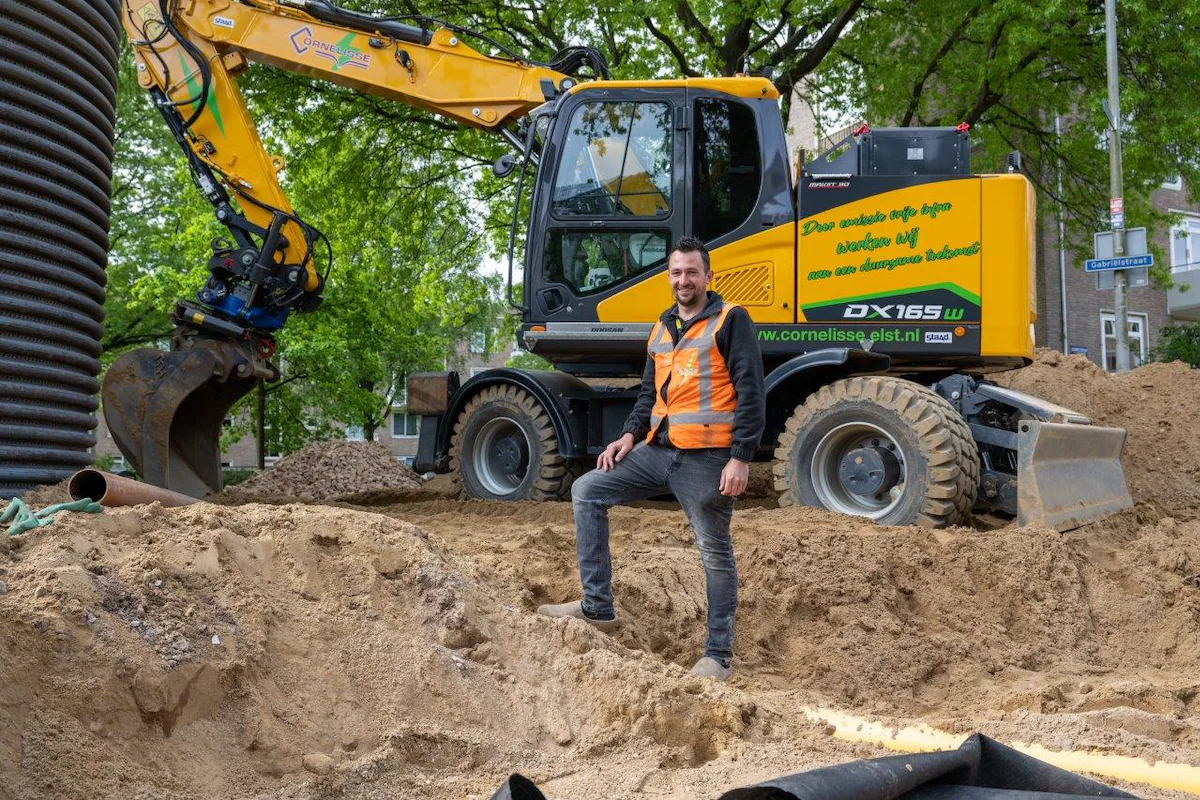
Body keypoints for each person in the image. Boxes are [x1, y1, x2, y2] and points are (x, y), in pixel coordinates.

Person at [537, 235, 765, 681]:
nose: (684, 280)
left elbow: (752, 392)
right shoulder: (662, 328)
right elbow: (648, 394)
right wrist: (627, 436)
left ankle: (717, 656)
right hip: (658, 450)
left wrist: (740, 457)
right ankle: (597, 607)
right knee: (587, 490)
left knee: (714, 552)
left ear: (708, 276)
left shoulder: (731, 321)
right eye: (676, 272)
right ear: (669, 277)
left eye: (692, 272)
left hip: (708, 459)